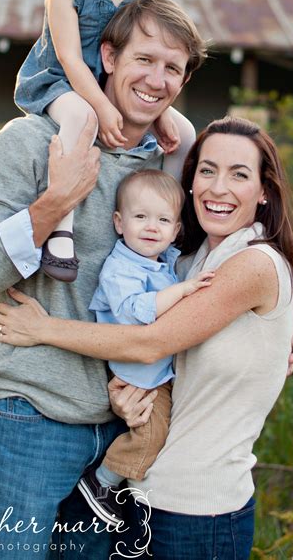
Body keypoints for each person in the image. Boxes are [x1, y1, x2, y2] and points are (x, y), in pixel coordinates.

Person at [0, 0, 210, 560]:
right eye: (145, 59)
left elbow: (194, 277)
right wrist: (55, 201)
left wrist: (265, 334)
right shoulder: (26, 143)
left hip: (126, 427)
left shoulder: (166, 168)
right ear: (109, 55)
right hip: (32, 417)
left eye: (173, 68)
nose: (157, 79)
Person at [0, 115, 293, 560]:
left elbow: (150, 342)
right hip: (146, 498)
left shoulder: (253, 264)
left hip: (201, 512)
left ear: (263, 192)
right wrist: (132, 400)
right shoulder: (190, 262)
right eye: (206, 170)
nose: (218, 188)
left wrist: (43, 329)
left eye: (239, 175)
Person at [14, 0, 196, 282]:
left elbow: (148, 68)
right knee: (83, 121)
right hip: (61, 84)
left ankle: (168, 225)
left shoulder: (141, 1)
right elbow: (71, 61)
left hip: (108, 91)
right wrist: (102, 105)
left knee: (183, 132)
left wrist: (160, 112)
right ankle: (61, 230)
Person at [77, 169, 214, 526]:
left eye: (163, 220)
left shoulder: (164, 260)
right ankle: (102, 482)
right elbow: (135, 314)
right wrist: (182, 291)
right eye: (141, 217)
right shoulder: (120, 269)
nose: (152, 227)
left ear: (176, 230)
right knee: (151, 434)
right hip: (138, 372)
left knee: (164, 430)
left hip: (154, 369)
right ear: (119, 223)